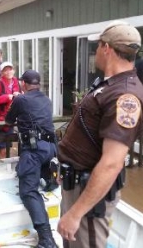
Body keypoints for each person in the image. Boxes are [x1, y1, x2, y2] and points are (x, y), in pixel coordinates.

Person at [57, 20, 143, 248]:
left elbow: (111, 164)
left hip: (88, 197)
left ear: (107, 48)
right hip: (75, 186)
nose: (95, 51)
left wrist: (75, 214)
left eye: (98, 46)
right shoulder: (109, 85)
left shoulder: (125, 97)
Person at [5, 69, 58, 248]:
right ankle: (50, 179)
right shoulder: (47, 100)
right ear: (39, 84)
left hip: (34, 151)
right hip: (51, 149)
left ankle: (46, 239)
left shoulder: (21, 99)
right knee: (41, 162)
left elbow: (7, 120)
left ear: (24, 84)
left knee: (28, 191)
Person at [0, 61, 21, 158]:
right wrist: (6, 97)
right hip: (0, 119)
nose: (8, 72)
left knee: (8, 145)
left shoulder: (16, 82)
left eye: (10, 69)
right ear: (2, 73)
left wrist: (19, 95)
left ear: (14, 71)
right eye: (5, 70)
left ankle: (6, 165)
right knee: (2, 147)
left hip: (12, 117)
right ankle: (0, 166)